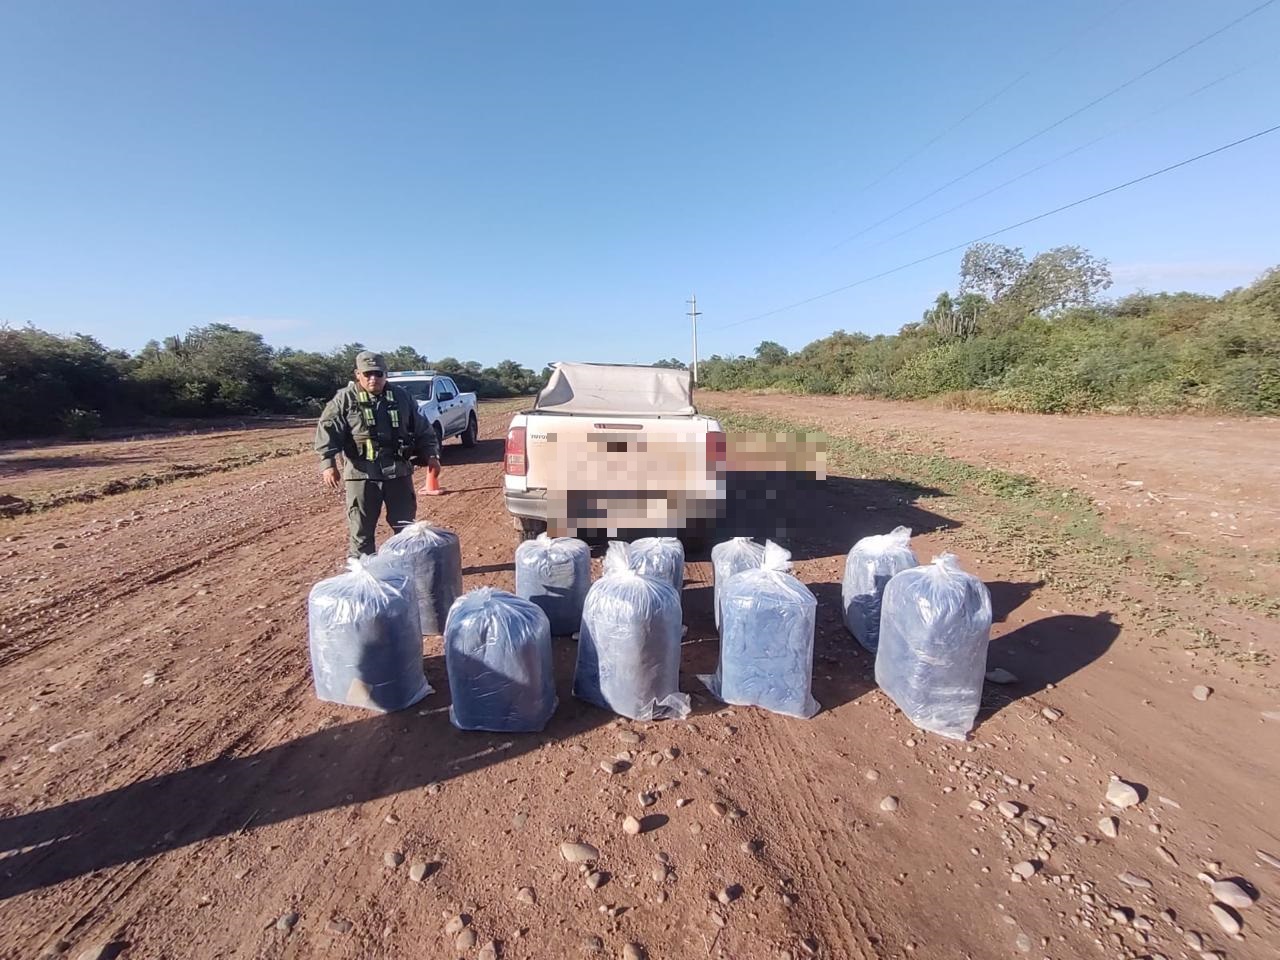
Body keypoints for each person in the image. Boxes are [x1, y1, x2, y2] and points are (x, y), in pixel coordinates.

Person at [315, 351, 442, 557]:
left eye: (378, 373)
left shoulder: (402, 397)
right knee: (361, 532)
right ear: (358, 374)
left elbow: (423, 429)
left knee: (406, 529)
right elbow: (327, 430)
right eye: (367, 374)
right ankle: (363, 577)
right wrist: (328, 464)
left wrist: (432, 455)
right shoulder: (344, 399)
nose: (373, 378)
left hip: (398, 473)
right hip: (362, 476)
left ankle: (404, 568)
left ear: (386, 374)